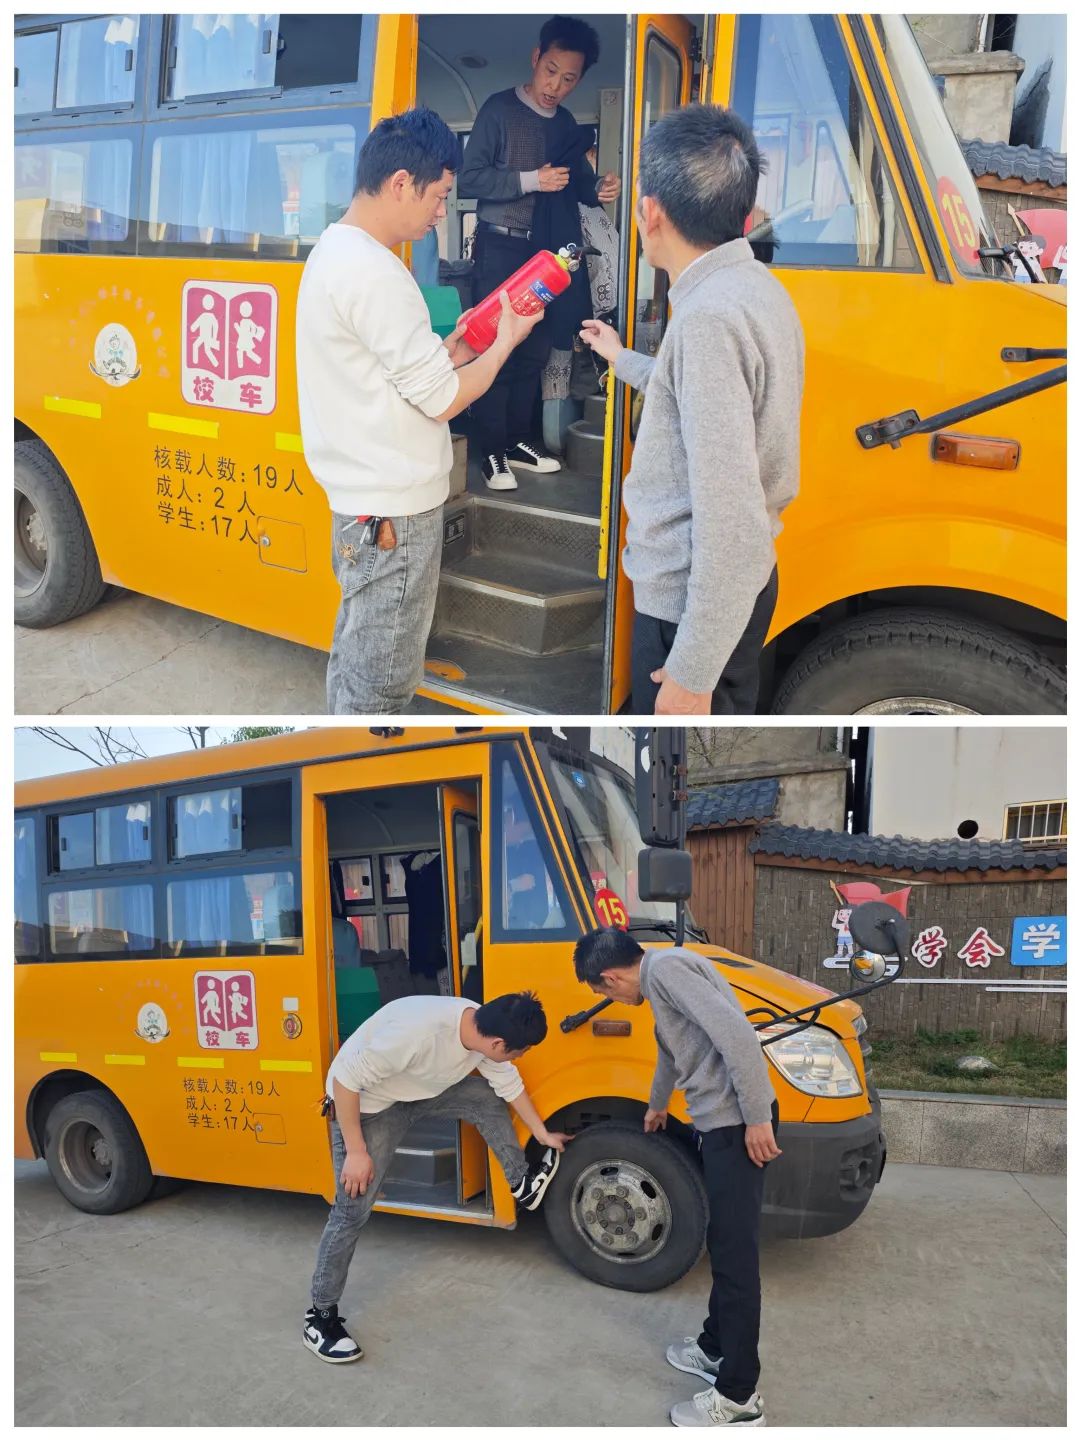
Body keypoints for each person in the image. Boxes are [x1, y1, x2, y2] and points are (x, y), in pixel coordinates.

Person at [296, 107, 544, 714]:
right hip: (394, 516)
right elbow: (443, 399)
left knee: (357, 658)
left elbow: (387, 372)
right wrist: (506, 342)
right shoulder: (376, 273)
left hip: (365, 507)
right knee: (380, 689)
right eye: (438, 196)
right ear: (401, 182)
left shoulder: (335, 251)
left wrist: (451, 349)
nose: (442, 212)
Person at [580, 105, 805, 716]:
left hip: (691, 606)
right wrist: (622, 357)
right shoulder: (756, 290)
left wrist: (691, 671)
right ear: (746, 215)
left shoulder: (706, 319)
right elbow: (694, 400)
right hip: (735, 591)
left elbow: (728, 523)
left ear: (649, 214)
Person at [572, 927, 781, 1428]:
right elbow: (671, 1049)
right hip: (722, 1123)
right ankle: (714, 1348)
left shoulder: (665, 971)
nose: (612, 1001)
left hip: (737, 1125)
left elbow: (735, 1034)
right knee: (722, 1240)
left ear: (609, 976)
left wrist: (757, 1118)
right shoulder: (663, 977)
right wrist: (658, 1104)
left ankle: (738, 1398)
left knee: (734, 1258)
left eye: (603, 993)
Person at [304, 990, 569, 1363]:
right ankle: (320, 1316)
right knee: (351, 1213)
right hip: (368, 1108)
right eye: (518, 1052)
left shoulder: (482, 1026)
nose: (519, 1058)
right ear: (497, 1044)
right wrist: (357, 1152)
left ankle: (520, 1183)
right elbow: (344, 1081)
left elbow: (508, 1084)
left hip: (414, 1094)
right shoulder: (418, 1034)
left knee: (483, 1095)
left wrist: (542, 1134)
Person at [458, 16, 620, 490]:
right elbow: (470, 180)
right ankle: (490, 452)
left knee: (534, 349)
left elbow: (577, 184)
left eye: (569, 79)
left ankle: (516, 441)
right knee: (497, 346)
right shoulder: (498, 110)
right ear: (536, 58)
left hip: (547, 255)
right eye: (551, 71)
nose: (556, 86)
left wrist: (598, 189)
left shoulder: (567, 124)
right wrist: (532, 180)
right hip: (501, 245)